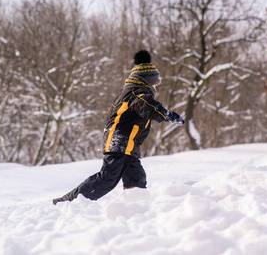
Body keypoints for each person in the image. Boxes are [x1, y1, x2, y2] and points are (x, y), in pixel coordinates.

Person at [53, 50, 185, 204]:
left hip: (128, 144)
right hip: (120, 142)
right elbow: (149, 107)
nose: (156, 86)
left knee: (136, 179)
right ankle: (68, 202)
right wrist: (168, 115)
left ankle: (135, 205)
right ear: (147, 81)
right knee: (106, 180)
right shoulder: (137, 94)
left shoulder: (130, 93)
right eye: (155, 82)